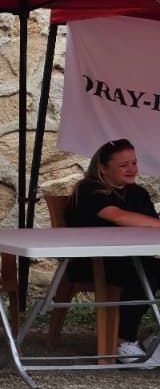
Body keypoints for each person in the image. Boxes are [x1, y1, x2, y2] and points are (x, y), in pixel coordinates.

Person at [66, 137, 160, 359]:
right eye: (124, 165)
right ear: (103, 168)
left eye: (134, 163)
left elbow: (150, 225)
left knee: (148, 270)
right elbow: (118, 216)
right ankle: (123, 341)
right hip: (92, 262)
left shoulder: (137, 193)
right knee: (144, 275)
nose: (132, 169)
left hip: (131, 258)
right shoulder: (89, 190)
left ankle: (154, 338)